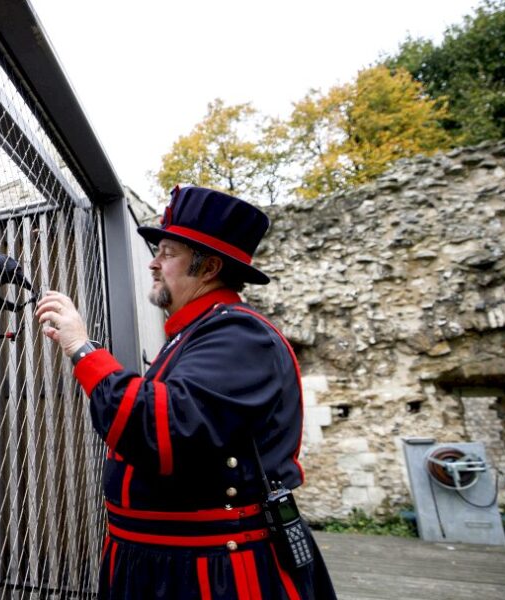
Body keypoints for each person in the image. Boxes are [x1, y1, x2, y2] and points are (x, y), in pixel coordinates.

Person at [35, 186, 337, 599]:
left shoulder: (240, 335)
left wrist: (82, 348)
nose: (154, 264)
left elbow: (161, 429)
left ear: (209, 267)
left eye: (168, 253)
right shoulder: (198, 333)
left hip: (209, 573)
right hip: (163, 563)